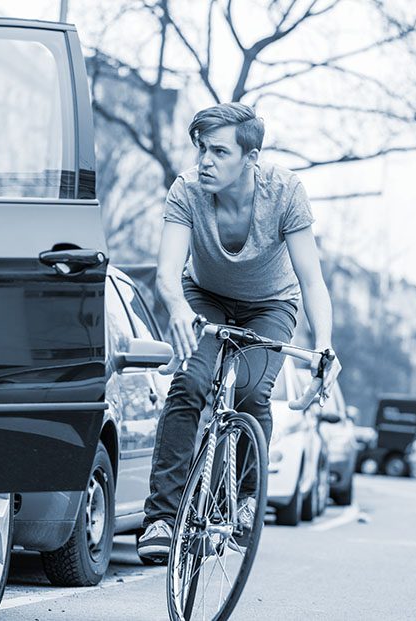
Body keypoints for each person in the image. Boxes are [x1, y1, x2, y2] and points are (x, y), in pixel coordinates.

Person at [136, 103, 342, 562]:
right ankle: (162, 520)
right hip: (204, 296)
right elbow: (167, 271)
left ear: (251, 158)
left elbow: (312, 281)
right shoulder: (187, 191)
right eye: (201, 149)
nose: (204, 161)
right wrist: (175, 307)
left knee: (250, 390)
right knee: (189, 383)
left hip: (270, 303)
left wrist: (325, 345)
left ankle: (248, 495)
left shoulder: (285, 193)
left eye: (219, 151)